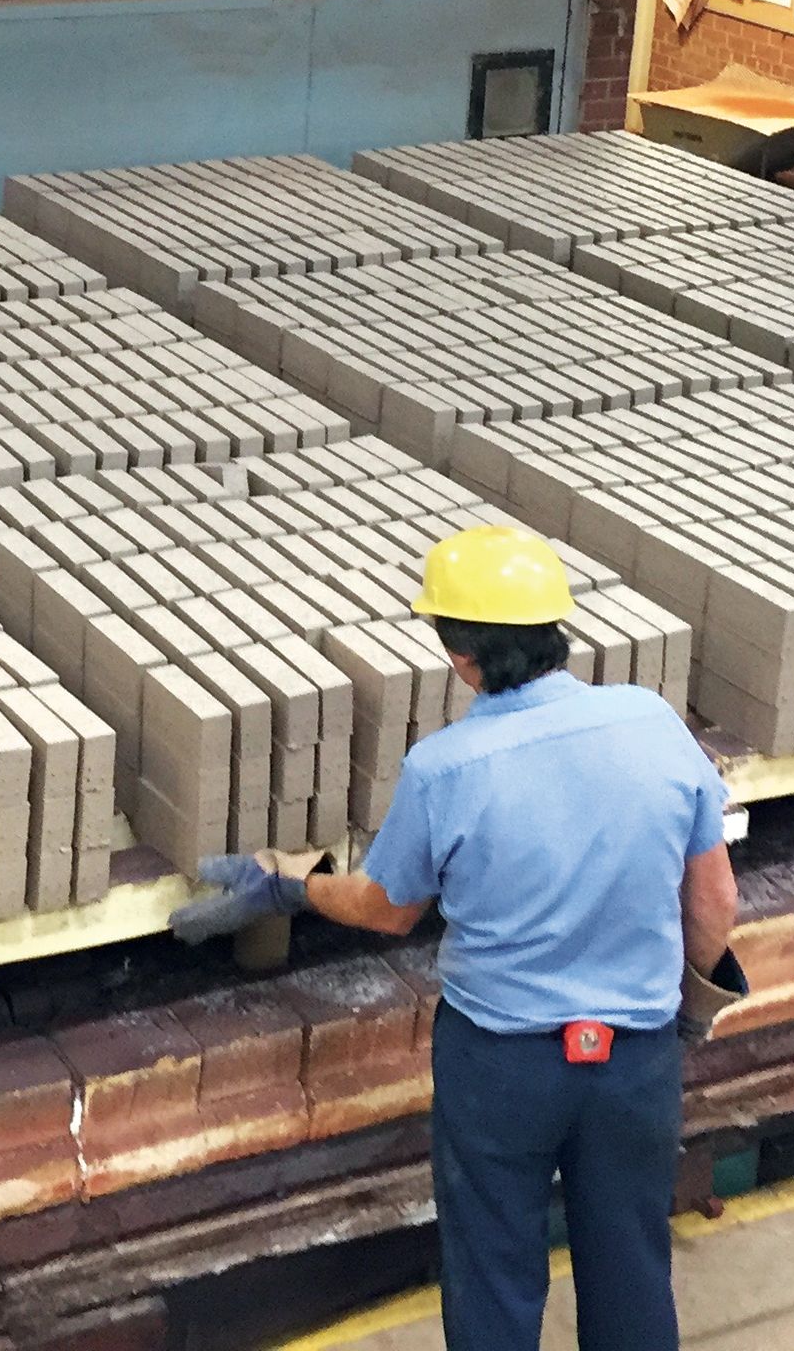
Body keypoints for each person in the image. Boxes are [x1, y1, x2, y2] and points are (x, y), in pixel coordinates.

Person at [172, 523, 741, 1351]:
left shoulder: (446, 767)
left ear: (459, 655)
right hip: (636, 1059)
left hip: (504, 1066)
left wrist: (291, 884)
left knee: (494, 1269)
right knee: (630, 1264)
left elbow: (386, 908)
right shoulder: (652, 723)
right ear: (557, 631)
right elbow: (714, 899)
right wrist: (682, 1015)